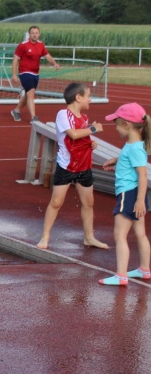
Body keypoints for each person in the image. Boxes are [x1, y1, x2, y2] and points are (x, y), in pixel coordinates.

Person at [37, 82, 108, 250]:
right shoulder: (63, 114)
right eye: (88, 96)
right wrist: (93, 129)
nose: (90, 99)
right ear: (78, 97)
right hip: (67, 167)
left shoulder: (84, 118)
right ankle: (45, 237)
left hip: (84, 166)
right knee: (56, 202)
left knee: (88, 203)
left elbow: (81, 138)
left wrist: (90, 143)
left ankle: (89, 237)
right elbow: (73, 134)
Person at [99, 103, 151, 286]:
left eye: (116, 124)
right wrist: (117, 161)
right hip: (134, 195)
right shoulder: (133, 145)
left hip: (129, 195)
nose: (115, 128)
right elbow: (130, 164)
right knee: (140, 233)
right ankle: (144, 269)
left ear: (127, 125)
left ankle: (121, 275)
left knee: (119, 235)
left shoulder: (134, 148)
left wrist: (139, 201)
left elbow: (142, 175)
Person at [10, 26, 60, 123]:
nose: (34, 35)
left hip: (35, 73)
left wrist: (54, 63)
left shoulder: (41, 45)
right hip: (25, 72)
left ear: (39, 34)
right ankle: (33, 117)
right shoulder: (23, 45)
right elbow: (15, 59)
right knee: (31, 93)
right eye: (32, 33)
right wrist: (14, 74)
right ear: (29, 34)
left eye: (36, 33)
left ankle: (16, 111)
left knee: (28, 94)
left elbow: (47, 56)